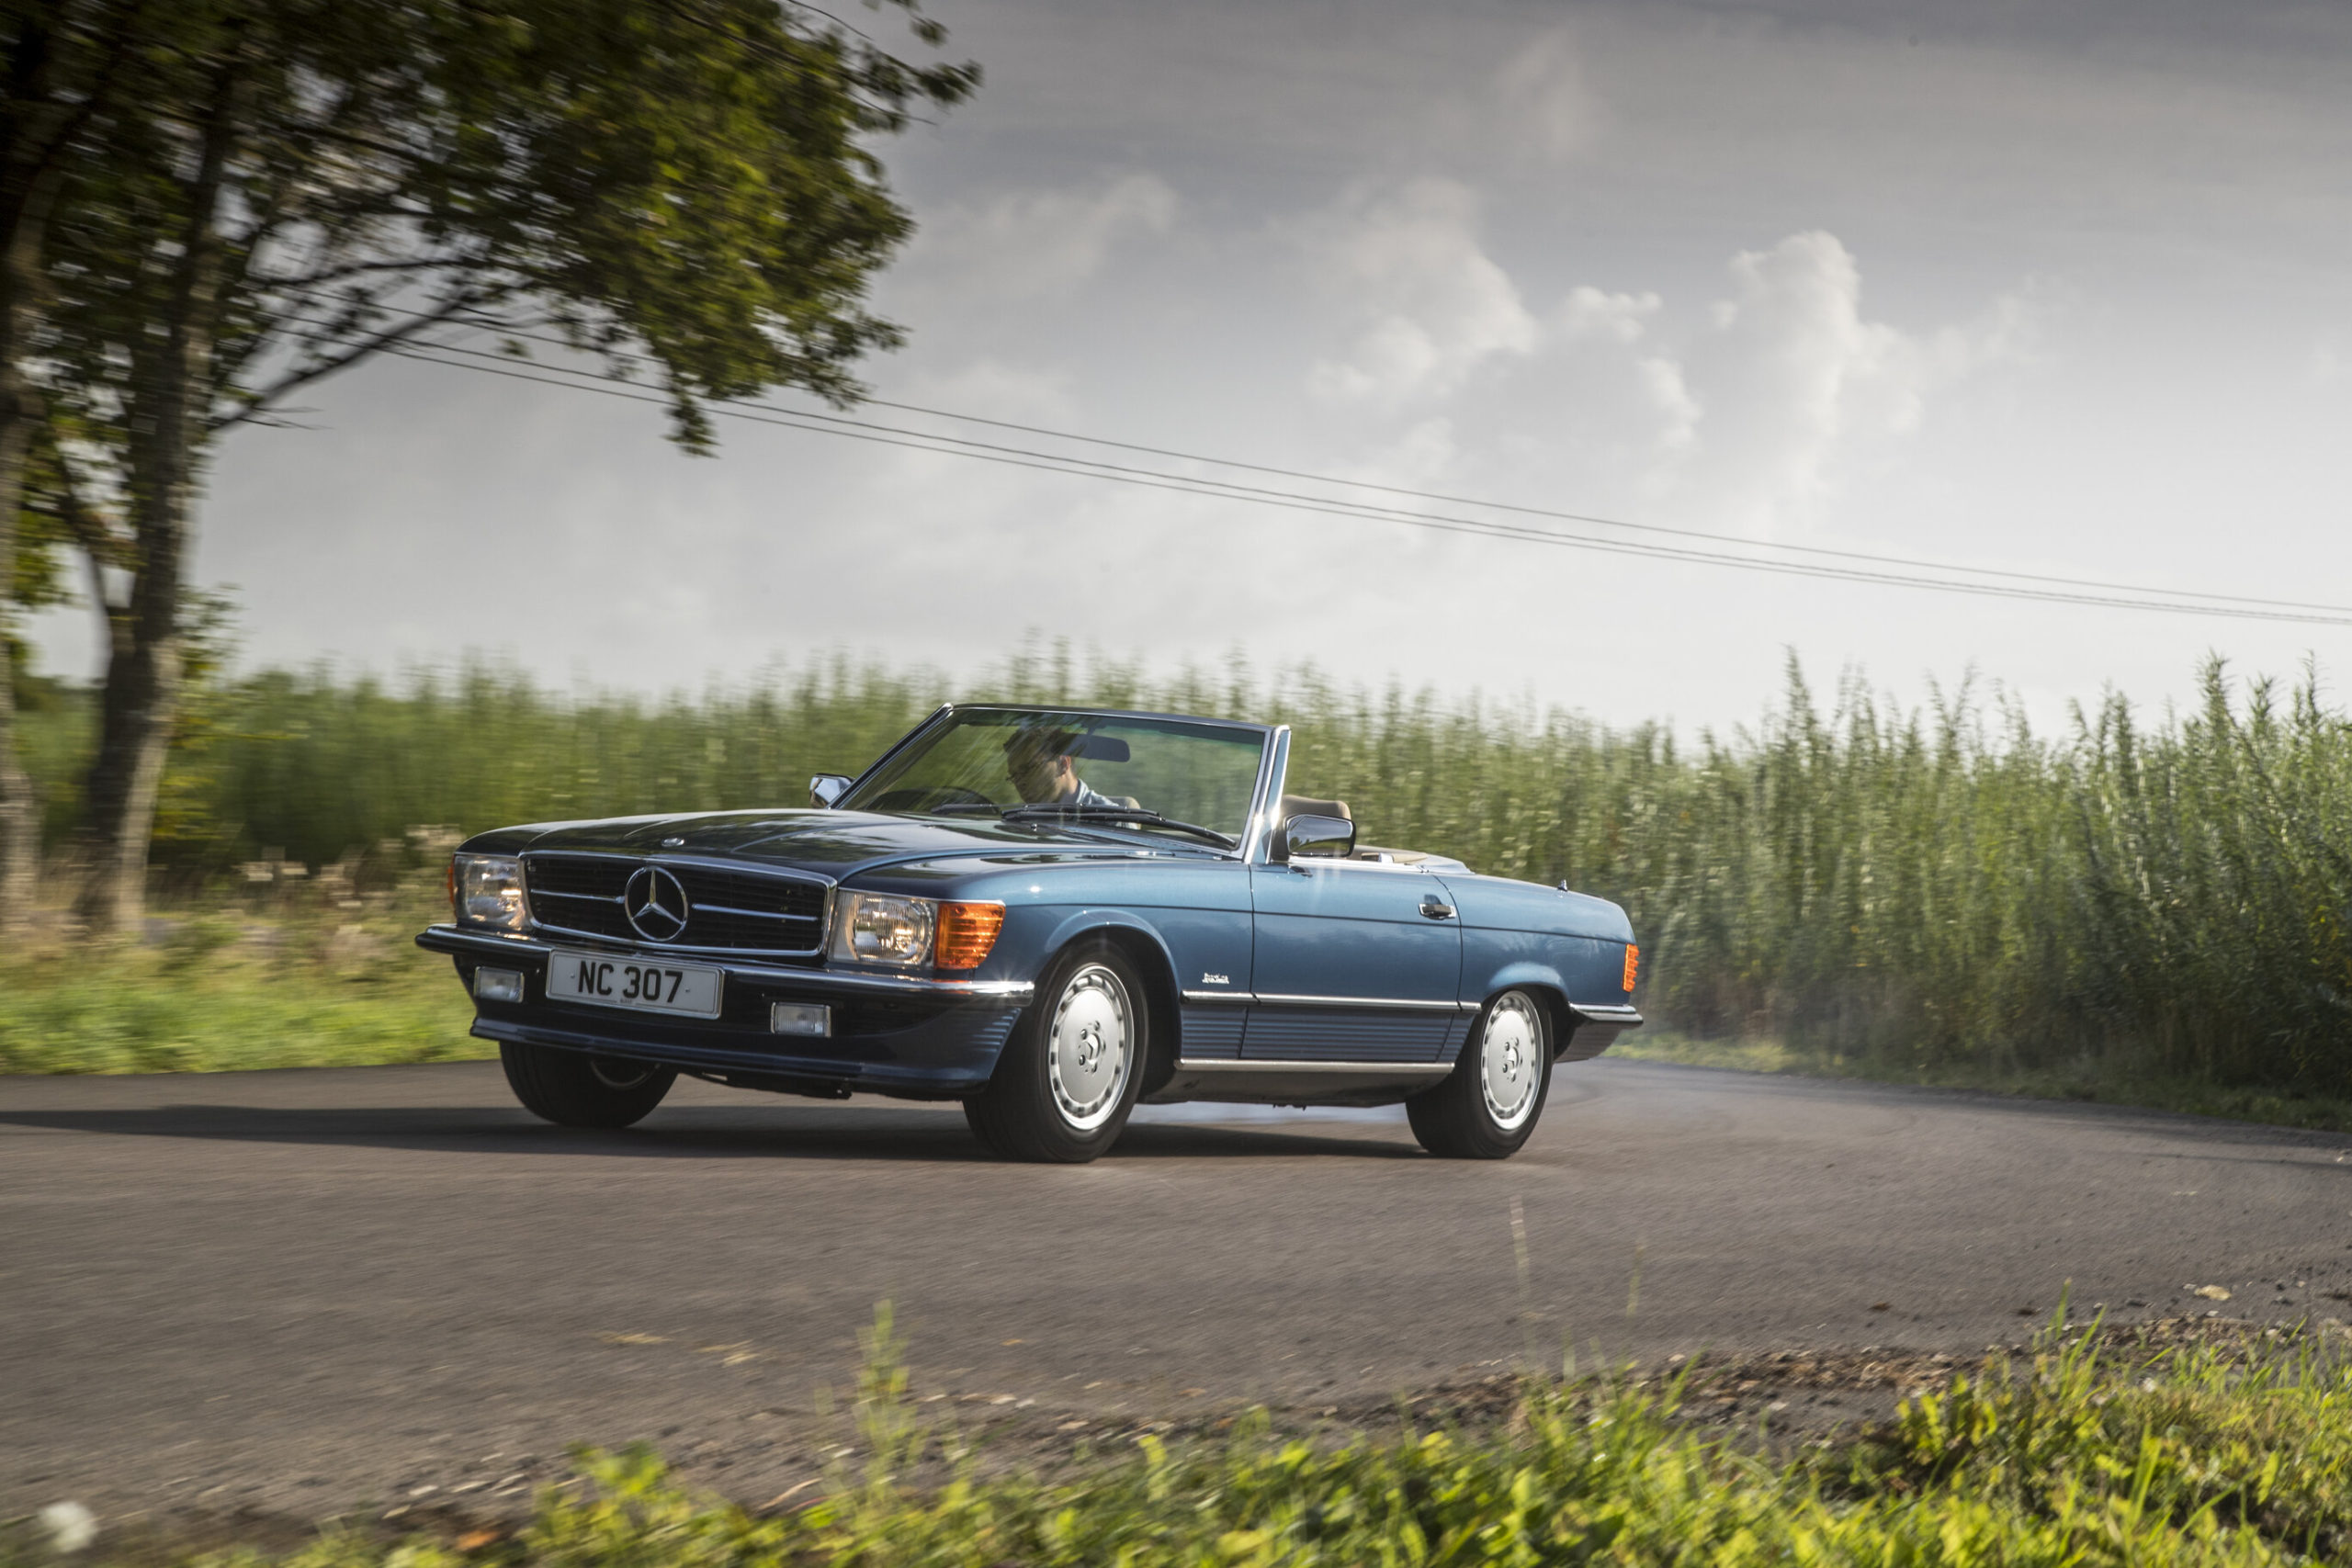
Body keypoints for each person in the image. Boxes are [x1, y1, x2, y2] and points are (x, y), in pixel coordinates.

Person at [1003, 728, 1118, 807]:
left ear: (1062, 764)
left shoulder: (1110, 822)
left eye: (1027, 769)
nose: (1019, 783)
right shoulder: (1019, 820)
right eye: (1014, 776)